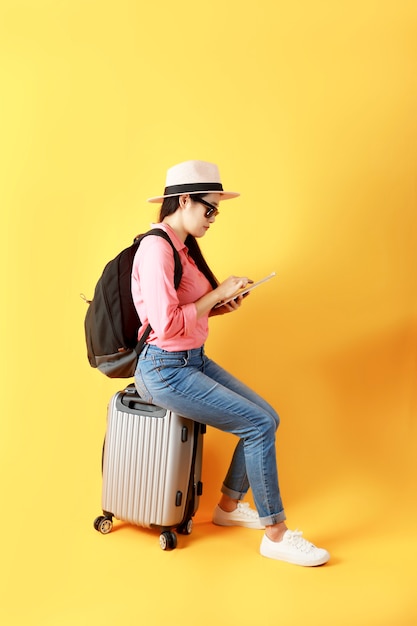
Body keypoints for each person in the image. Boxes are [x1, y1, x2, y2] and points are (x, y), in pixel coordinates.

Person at [131, 160, 330, 566]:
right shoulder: (156, 248)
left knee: (267, 418)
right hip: (164, 370)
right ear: (183, 200)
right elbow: (165, 326)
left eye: (216, 210)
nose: (214, 217)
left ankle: (227, 507)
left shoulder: (182, 247)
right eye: (210, 208)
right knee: (256, 425)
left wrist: (221, 306)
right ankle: (276, 535)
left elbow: (186, 312)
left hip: (191, 361)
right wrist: (217, 291)